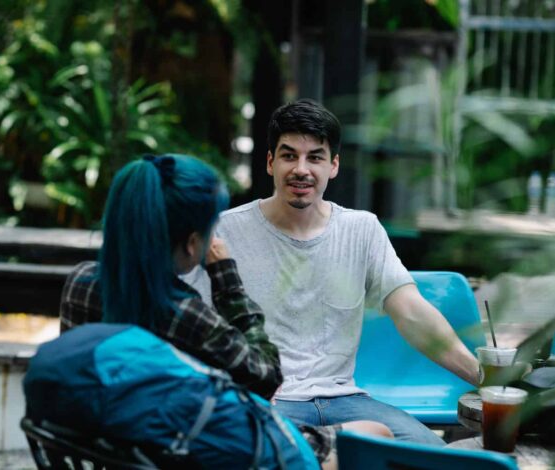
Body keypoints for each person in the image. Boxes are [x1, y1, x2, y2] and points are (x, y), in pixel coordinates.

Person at [59, 153, 392, 469]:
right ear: (192, 243)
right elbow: (266, 377)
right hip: (201, 453)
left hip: (124, 449)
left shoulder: (81, 283)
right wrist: (227, 280)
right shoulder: (182, 313)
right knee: (375, 434)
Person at [185, 99, 480, 446]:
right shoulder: (224, 232)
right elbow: (192, 325)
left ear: (334, 165)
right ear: (270, 162)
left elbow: (413, 313)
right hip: (267, 401)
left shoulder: (362, 229)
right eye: (289, 155)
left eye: (315, 157)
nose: (301, 169)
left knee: (432, 454)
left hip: (346, 400)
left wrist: (484, 378)